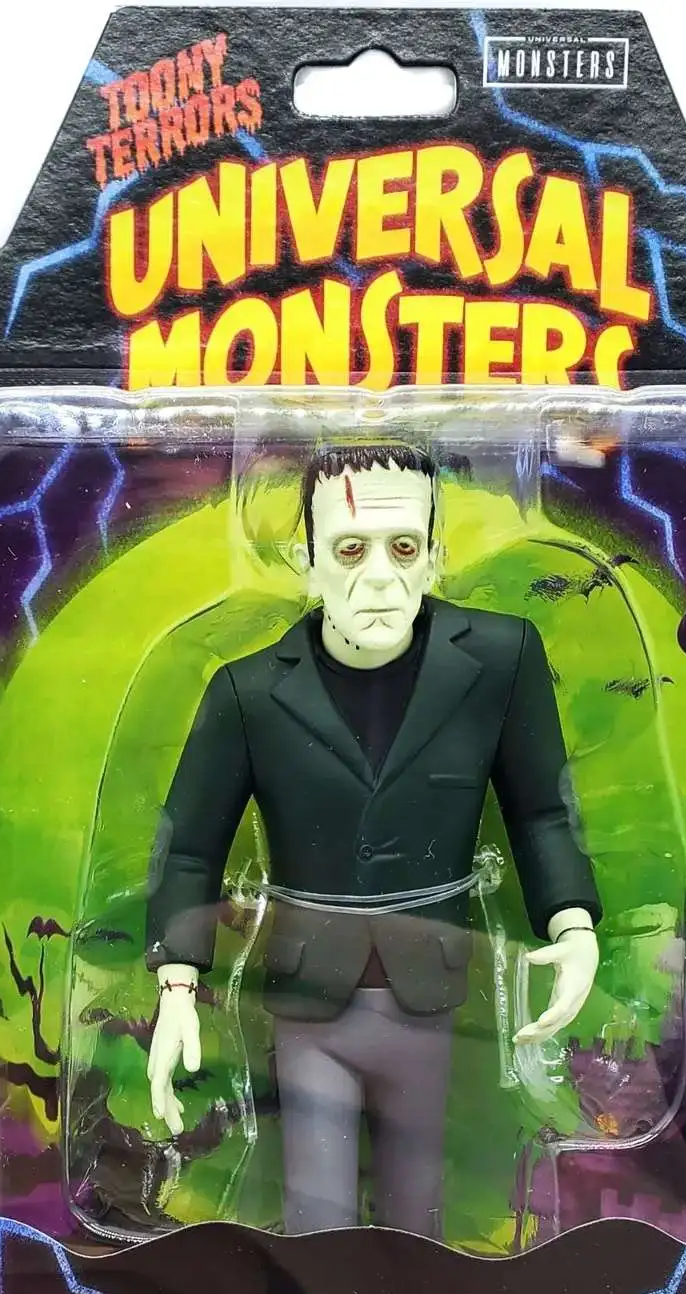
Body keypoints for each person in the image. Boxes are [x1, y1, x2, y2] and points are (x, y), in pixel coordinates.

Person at [145, 440, 601, 1235]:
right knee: (315, 1217)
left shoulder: (500, 660)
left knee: (416, 1212)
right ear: (307, 561)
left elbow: (542, 810)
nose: (381, 577)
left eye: (404, 547)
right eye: (351, 550)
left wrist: (573, 923)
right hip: (308, 996)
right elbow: (190, 846)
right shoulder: (248, 691)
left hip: (432, 991)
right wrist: (177, 985)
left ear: (436, 555)